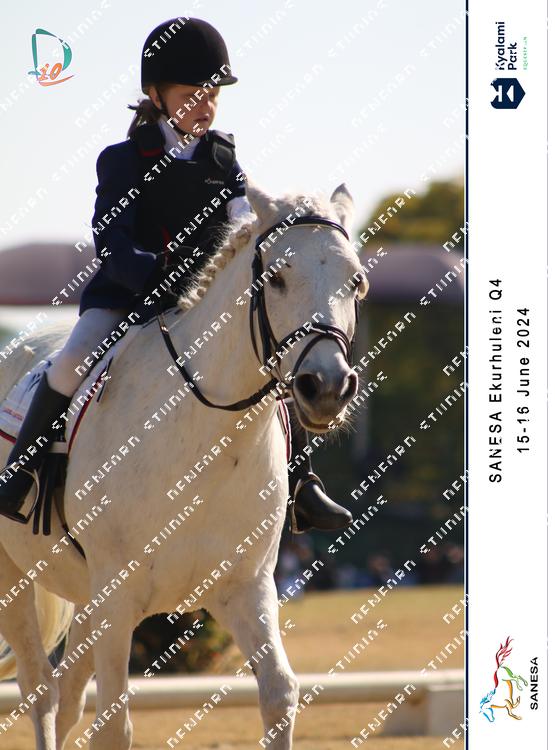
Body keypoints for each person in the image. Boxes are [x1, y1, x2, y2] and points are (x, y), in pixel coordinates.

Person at [0, 18, 352, 533]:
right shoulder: (123, 160)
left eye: (212, 96)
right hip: (127, 297)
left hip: (201, 305)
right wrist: (158, 275)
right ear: (156, 95)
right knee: (71, 360)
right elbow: (113, 242)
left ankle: (303, 486)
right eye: (192, 96)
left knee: (275, 363)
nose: (204, 106)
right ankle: (21, 473)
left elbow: (242, 228)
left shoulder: (225, 162)